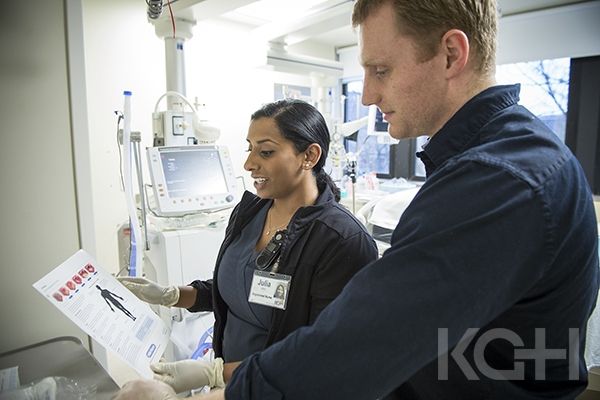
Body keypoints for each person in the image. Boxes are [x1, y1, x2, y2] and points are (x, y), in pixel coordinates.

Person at [115, 0, 600, 399]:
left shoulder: (498, 181)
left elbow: (358, 343)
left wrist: (222, 383)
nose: (367, 95)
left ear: (452, 54)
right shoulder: (503, 158)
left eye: (381, 70)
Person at [117, 99, 378, 393]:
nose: (249, 164)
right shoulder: (250, 212)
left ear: (309, 156)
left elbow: (320, 354)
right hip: (232, 381)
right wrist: (173, 295)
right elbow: (236, 290)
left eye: (265, 151)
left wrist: (214, 374)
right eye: (249, 148)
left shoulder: (341, 242)